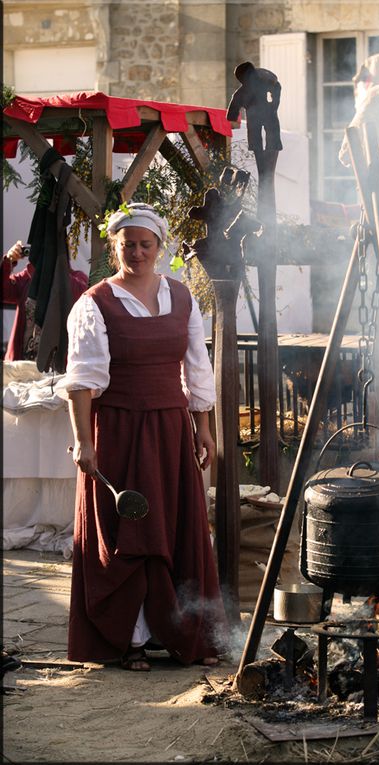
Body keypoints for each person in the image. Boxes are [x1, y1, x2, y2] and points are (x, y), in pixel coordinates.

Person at [60, 202, 227, 671]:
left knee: (173, 528)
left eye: (145, 244)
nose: (137, 252)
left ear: (159, 247)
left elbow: (197, 371)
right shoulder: (95, 303)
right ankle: (126, 640)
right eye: (128, 244)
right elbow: (82, 380)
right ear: (115, 247)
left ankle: (176, 634)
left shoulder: (183, 297)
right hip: (118, 429)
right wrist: (84, 442)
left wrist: (204, 429)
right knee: (129, 533)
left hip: (170, 428)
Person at [2, 240, 88, 362]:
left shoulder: (77, 279)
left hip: (56, 369)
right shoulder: (26, 278)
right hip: (21, 367)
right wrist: (8, 261)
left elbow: (75, 292)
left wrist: (49, 267)